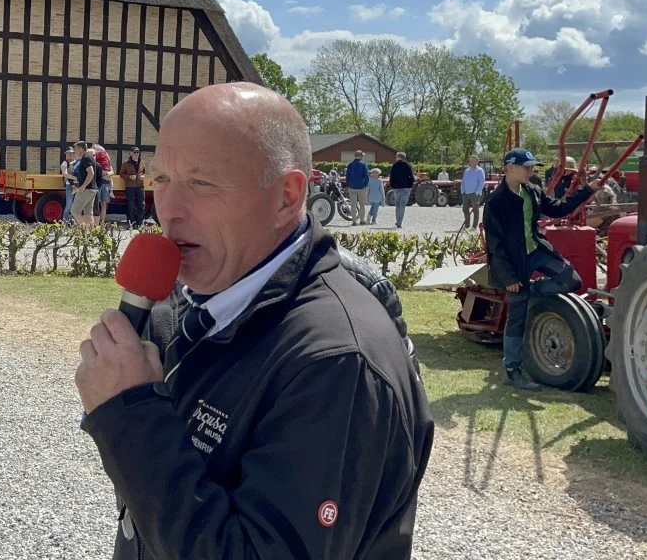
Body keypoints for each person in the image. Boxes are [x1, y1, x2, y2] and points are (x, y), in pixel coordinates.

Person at [75, 82, 433, 559]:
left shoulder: (337, 364)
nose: (170, 210)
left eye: (201, 183)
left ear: (287, 194)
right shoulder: (184, 306)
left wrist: (129, 415)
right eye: (161, 181)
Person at [483, 148, 600, 391]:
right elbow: (495, 245)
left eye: (532, 167)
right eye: (527, 167)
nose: (531, 170)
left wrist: (587, 190)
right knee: (516, 317)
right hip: (514, 263)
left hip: (536, 252)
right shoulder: (496, 202)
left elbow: (558, 208)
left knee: (571, 280)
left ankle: (532, 291)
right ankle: (512, 370)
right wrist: (510, 278)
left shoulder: (532, 190)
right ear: (510, 168)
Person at [119, 147, 146, 227]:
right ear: (130, 153)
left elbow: (144, 172)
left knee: (141, 204)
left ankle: (140, 222)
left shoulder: (142, 162)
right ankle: (132, 222)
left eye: (138, 152)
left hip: (140, 186)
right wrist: (129, 177)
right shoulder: (126, 164)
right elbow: (121, 174)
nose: (136, 154)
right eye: (134, 152)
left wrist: (143, 176)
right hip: (130, 187)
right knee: (131, 205)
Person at [388, 152, 414, 228]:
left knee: (397, 205)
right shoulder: (408, 165)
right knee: (402, 205)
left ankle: (398, 220)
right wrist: (410, 186)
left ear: (398, 157)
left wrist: (393, 185)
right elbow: (411, 177)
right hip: (406, 187)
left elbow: (391, 177)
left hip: (396, 188)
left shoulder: (394, 165)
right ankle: (399, 222)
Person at [460, 154, 487, 229]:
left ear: (477, 162)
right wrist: (462, 190)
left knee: (475, 210)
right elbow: (464, 181)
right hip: (465, 193)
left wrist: (477, 192)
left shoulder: (480, 171)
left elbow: (481, 182)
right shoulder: (467, 171)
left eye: (473, 161)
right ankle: (467, 225)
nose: (471, 162)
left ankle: (474, 226)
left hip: (475, 194)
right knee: (465, 209)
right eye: (471, 161)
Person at [344, 150, 370, 225]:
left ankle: (354, 221)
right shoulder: (363, 164)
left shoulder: (350, 165)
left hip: (352, 186)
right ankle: (361, 221)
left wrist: (348, 185)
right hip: (361, 186)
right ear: (361, 156)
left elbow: (347, 176)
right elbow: (366, 176)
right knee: (362, 204)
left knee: (353, 205)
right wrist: (365, 184)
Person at [60, 147, 77, 222]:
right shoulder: (65, 163)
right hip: (70, 185)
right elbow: (65, 174)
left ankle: (74, 221)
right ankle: (65, 221)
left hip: (78, 185)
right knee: (69, 204)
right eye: (68, 153)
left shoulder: (76, 162)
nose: (70, 155)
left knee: (76, 204)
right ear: (66, 154)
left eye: (71, 153)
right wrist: (75, 178)